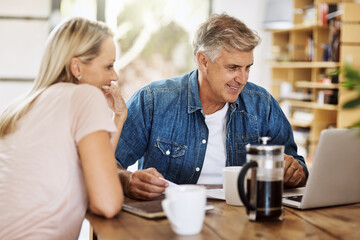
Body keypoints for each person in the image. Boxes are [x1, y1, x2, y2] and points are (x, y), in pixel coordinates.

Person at [115, 13, 308, 200]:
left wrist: (294, 173)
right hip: (173, 216)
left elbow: (298, 166)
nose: (242, 79)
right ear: (203, 61)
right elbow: (107, 163)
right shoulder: (153, 101)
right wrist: (127, 180)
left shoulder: (262, 104)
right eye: (232, 68)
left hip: (241, 219)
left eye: (247, 67)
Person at [0, 17, 126, 239]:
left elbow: (94, 173)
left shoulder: (19, 107)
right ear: (77, 66)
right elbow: (107, 203)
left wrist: (118, 118)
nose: (114, 76)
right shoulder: (85, 96)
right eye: (108, 65)